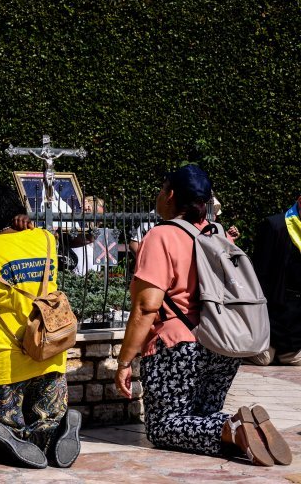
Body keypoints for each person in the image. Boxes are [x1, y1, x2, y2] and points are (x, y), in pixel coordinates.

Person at [115, 165, 292, 466]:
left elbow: (146, 306)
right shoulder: (216, 233)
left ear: (170, 195)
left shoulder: (161, 236)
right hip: (223, 343)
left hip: (177, 347)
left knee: (162, 427)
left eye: (161, 189)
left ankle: (233, 428)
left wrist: (123, 361)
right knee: (200, 416)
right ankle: (239, 427)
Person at [0, 184, 81, 469]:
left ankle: (9, 441)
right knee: (45, 418)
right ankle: (58, 432)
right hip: (49, 350)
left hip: (3, 359)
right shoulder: (45, 239)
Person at [247, 196, 301, 366]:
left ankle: (284, 353)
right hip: (274, 309)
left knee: (294, 358)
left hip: (297, 314)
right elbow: (260, 272)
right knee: (264, 359)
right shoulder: (275, 225)